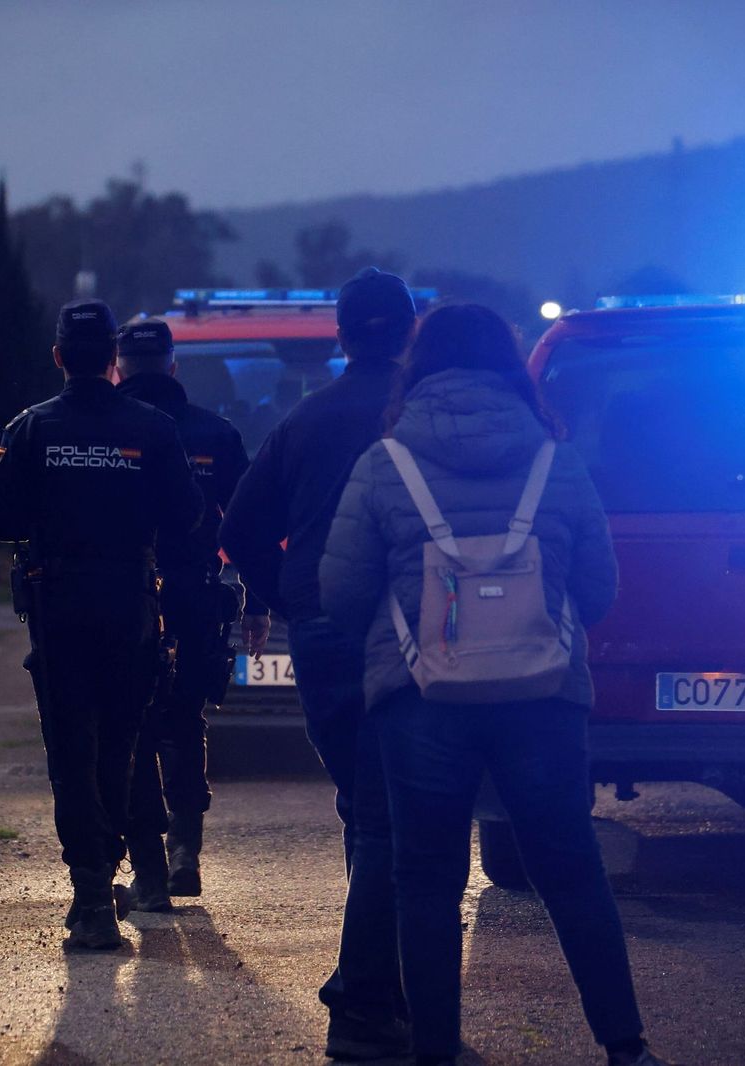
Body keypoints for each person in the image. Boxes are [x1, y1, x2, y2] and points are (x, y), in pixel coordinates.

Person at [319, 303, 675, 1066]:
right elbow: (601, 588)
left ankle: (436, 1052)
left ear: (422, 367)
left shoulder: (387, 462)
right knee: (572, 869)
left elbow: (342, 595)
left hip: (420, 702)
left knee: (426, 877)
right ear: (511, 366)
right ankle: (625, 1045)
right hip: (542, 699)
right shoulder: (558, 459)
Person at [219, 268, 416, 1062]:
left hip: (325, 634)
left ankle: (379, 988)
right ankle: (363, 1005)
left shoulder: (302, 422)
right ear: (407, 333)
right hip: (401, 629)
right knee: (384, 817)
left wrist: (287, 597)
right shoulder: (419, 415)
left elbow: (237, 527)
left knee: (363, 808)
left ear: (339, 336)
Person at [0, 299, 202, 949]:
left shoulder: (30, 428)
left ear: (57, 358)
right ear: (112, 359)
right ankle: (102, 877)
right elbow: (186, 514)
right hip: (128, 602)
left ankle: (91, 895)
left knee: (70, 754)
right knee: (119, 747)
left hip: (58, 606)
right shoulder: (154, 427)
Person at [112, 318, 267, 908]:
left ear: (119, 367)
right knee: (182, 723)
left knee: (127, 729)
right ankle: (183, 852)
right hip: (196, 600)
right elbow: (248, 526)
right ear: (173, 367)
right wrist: (256, 602)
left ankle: (141, 859)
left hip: (117, 602)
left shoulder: (101, 429)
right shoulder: (217, 434)